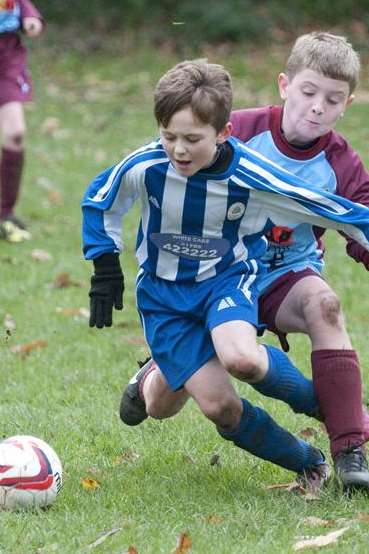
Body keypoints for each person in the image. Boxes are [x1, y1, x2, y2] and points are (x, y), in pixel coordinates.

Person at [83, 59, 369, 492]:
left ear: (223, 133)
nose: (178, 150)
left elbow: (327, 208)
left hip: (226, 282)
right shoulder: (146, 165)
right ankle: (305, 458)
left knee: (243, 358)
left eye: (192, 139)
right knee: (208, 407)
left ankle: (332, 413)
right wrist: (105, 266)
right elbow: (101, 200)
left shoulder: (250, 173)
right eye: (169, 136)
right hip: (165, 301)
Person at [0, 0, 43, 243]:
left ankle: (5, 213)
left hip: (7, 61)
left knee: (15, 133)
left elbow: (22, 6)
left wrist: (31, 19)